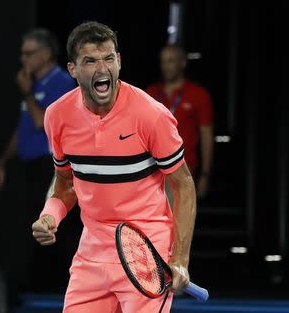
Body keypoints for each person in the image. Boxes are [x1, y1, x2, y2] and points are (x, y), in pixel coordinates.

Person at [31, 21, 197, 313]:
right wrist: (49, 216)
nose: (102, 68)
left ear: (119, 62)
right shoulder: (57, 116)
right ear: (73, 69)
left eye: (109, 58)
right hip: (92, 255)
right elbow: (66, 182)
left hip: (148, 253)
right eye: (90, 61)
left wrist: (180, 258)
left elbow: (183, 185)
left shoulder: (151, 115)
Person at [0, 28, 76, 295]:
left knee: (56, 226)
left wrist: (26, 94)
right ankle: (24, 285)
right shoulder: (33, 83)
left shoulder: (61, 82)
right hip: (27, 164)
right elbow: (24, 127)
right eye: (22, 53)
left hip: (51, 166)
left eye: (29, 53)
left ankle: (67, 287)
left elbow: (42, 123)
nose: (23, 58)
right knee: (25, 227)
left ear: (46, 53)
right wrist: (2, 162)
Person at [146, 45, 214, 200]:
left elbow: (206, 135)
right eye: (163, 62)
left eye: (170, 61)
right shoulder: (151, 93)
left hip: (182, 169)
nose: (165, 67)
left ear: (182, 63)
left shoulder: (198, 95)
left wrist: (205, 173)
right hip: (150, 171)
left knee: (175, 223)